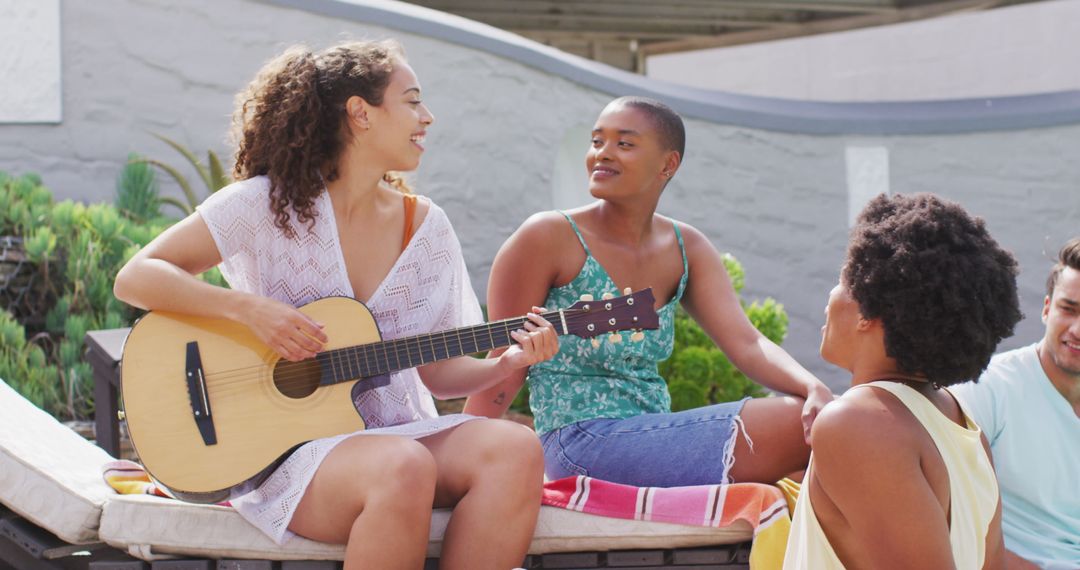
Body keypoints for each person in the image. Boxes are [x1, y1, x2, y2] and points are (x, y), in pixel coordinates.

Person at [113, 40, 559, 570]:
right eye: (412, 101)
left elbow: (437, 376)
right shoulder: (264, 203)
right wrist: (249, 311)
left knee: (515, 449)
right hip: (286, 452)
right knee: (402, 466)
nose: (428, 117)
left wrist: (507, 364)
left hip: (397, 434)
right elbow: (136, 277)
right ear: (360, 113)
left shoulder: (428, 229)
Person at [465, 96, 834, 488]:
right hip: (579, 441)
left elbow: (746, 342)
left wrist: (812, 386)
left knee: (817, 431)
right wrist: (460, 458)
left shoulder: (685, 246)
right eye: (596, 141)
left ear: (667, 164)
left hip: (654, 431)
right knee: (801, 426)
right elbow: (504, 364)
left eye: (624, 144)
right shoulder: (546, 237)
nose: (602, 154)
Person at [784, 193, 1021, 569]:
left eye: (843, 277)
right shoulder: (963, 425)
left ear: (866, 307)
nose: (829, 298)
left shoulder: (859, 424)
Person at [951, 237, 1080, 570]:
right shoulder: (988, 388)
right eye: (1069, 309)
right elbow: (942, 513)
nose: (1077, 329)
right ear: (1047, 308)